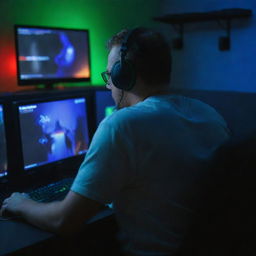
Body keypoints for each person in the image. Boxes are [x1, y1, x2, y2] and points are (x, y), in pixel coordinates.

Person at [0, 27, 230, 256]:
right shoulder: (209, 114)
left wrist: (21, 204)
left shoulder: (122, 125)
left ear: (124, 75)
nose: (108, 84)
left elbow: (63, 221)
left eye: (110, 75)